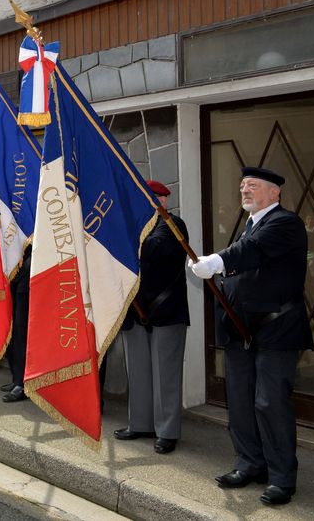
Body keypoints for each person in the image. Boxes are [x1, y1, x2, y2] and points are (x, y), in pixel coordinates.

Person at [190, 167, 314, 507]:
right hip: (242, 332)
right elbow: (247, 274)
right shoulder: (251, 227)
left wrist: (217, 261)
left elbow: (254, 253)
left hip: (278, 328)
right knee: (241, 401)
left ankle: (281, 478)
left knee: (270, 402)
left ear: (274, 193)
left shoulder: (284, 224)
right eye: (242, 185)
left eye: (253, 186)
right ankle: (250, 463)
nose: (244, 189)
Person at [113, 181, 188, 452]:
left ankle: (167, 431)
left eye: (151, 198)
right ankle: (140, 424)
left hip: (166, 311)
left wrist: (122, 240)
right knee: (139, 371)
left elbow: (155, 250)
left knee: (165, 373)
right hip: (135, 310)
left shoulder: (172, 225)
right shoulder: (132, 226)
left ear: (163, 201)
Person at [2, 247, 33, 403]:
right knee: (13, 331)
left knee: (22, 333)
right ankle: (17, 377)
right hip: (13, 274)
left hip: (29, 277)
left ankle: (22, 384)